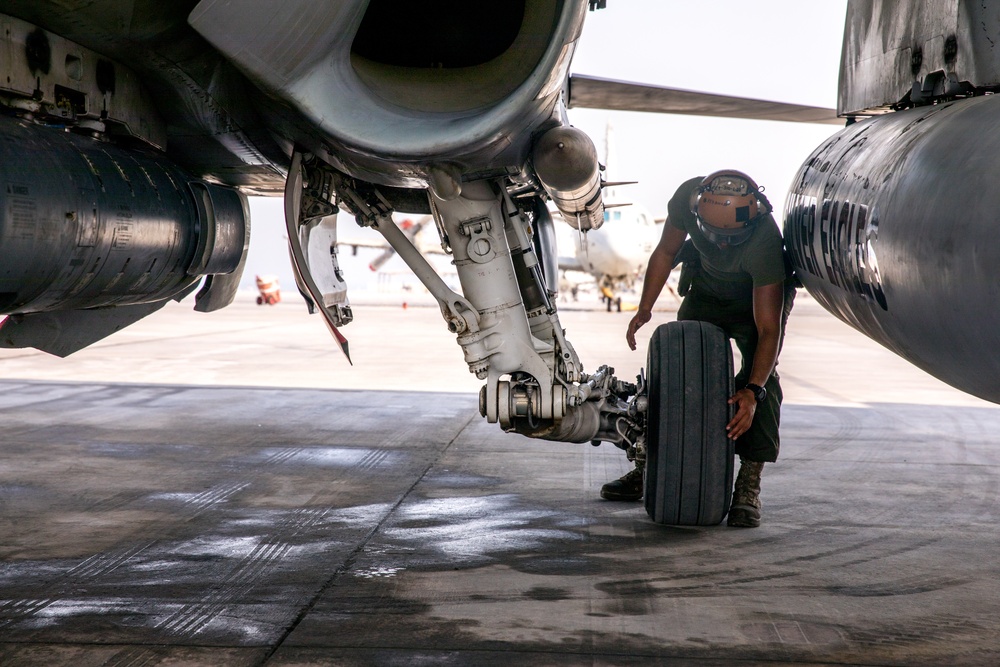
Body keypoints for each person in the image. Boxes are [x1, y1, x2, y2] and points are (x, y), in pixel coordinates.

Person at [603, 170, 795, 528]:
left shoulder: (764, 240)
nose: (722, 244)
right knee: (678, 372)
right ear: (699, 212)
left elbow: (769, 329)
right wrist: (645, 308)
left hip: (754, 302)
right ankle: (649, 468)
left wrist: (752, 391)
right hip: (707, 288)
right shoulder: (688, 199)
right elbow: (665, 250)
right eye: (714, 235)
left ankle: (748, 484)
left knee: (764, 385)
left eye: (730, 239)